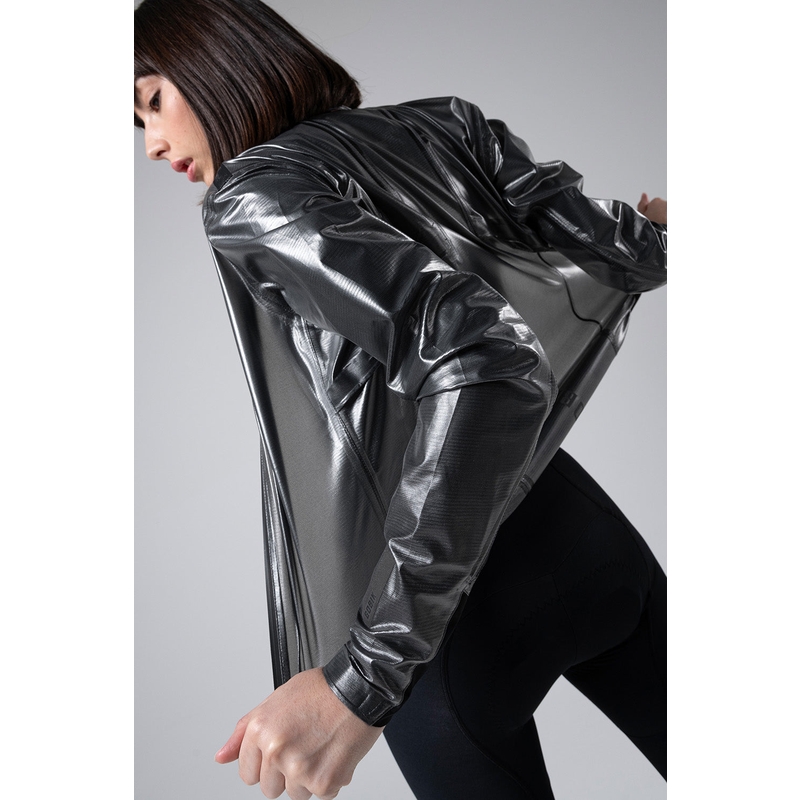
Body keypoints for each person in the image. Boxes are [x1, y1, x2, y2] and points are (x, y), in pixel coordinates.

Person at [134, 1, 667, 797]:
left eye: (153, 101)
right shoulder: (443, 122)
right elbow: (606, 246)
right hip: (579, 535)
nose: (151, 143)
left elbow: (484, 355)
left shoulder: (251, 197)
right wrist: (653, 233)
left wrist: (367, 674)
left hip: (438, 619)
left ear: (217, 64)